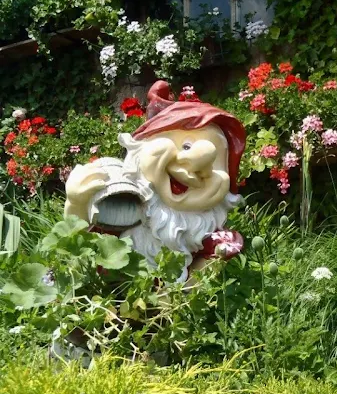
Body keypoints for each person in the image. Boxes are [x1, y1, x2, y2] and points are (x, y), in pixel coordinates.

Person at [64, 81, 246, 282]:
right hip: (112, 293)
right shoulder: (120, 208)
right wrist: (77, 204)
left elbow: (198, 283)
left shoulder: (214, 241)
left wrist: (178, 295)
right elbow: (79, 246)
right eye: (185, 146)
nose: (197, 164)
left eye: (216, 160)